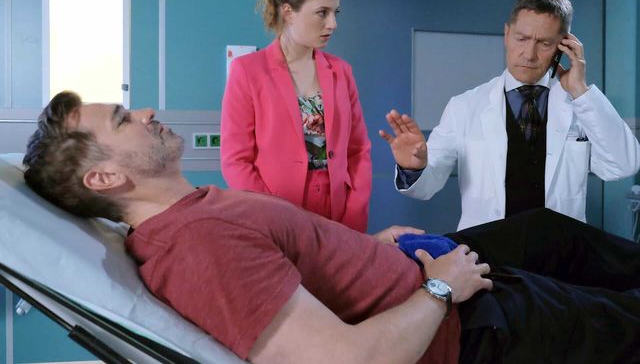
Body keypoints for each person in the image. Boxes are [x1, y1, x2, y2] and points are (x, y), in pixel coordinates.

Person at [22, 92, 640, 363]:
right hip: (466, 328)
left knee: (554, 238)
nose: (147, 111)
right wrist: (440, 289)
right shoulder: (196, 247)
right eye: (124, 119)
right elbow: (345, 361)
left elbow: (291, 265)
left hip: (439, 287)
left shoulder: (199, 215)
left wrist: (369, 248)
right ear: (105, 178)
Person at [380, 0, 640, 230]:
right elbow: (428, 185)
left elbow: (624, 164)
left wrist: (581, 91)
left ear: (564, 46)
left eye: (544, 43)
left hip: (560, 250)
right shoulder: (465, 107)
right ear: (506, 34)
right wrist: (414, 167)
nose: (529, 54)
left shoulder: (579, 106)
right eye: (522, 38)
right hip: (485, 251)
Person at [221, 0, 371, 232]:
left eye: (335, 13)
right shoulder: (248, 71)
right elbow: (236, 161)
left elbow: (358, 151)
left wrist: (352, 219)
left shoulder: (342, 71)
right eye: (322, 12)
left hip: (337, 213)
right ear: (288, 12)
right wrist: (274, 215)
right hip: (273, 212)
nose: (332, 24)